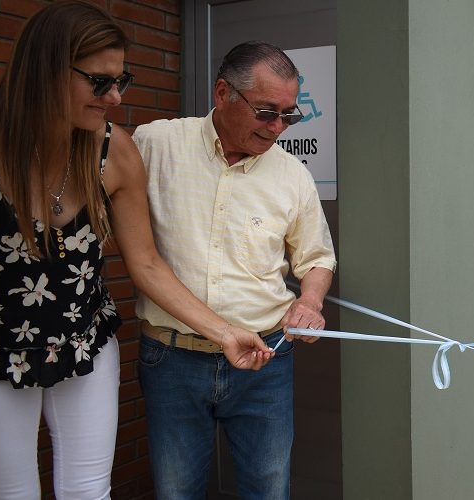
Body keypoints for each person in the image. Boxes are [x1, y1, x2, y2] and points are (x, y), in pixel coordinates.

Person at [0, 2, 274, 498]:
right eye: (98, 82)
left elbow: (147, 264)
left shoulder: (113, 149)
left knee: (89, 491)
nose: (114, 97)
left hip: (86, 339)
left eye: (122, 80)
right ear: (47, 70)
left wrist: (224, 334)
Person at [131, 41, 336, 499]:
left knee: (268, 490)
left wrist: (310, 300)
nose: (278, 127)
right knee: (175, 490)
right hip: (172, 358)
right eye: (267, 112)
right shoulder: (154, 144)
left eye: (290, 115)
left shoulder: (292, 174)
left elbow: (317, 257)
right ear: (223, 93)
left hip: (266, 360)